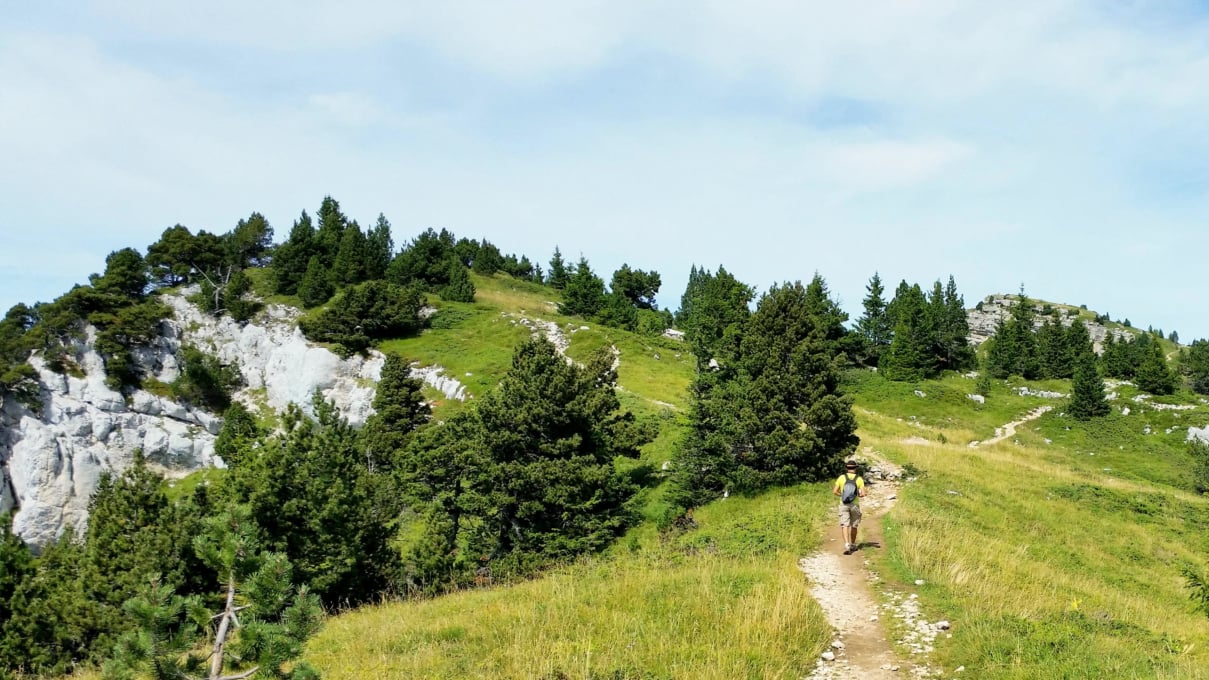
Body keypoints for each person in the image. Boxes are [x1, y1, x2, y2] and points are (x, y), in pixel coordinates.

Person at [833, 459, 867, 555]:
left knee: (845, 524)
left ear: (847, 468)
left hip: (843, 504)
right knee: (854, 525)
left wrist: (843, 495)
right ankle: (852, 544)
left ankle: (847, 544)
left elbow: (835, 491)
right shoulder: (859, 479)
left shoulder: (841, 478)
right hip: (854, 505)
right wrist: (859, 495)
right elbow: (863, 494)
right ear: (855, 468)